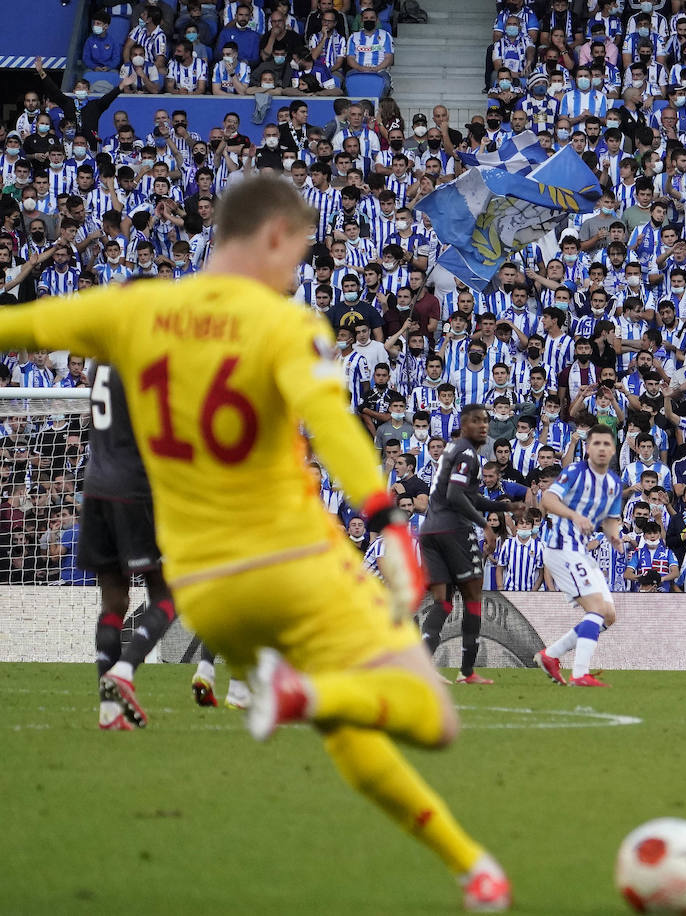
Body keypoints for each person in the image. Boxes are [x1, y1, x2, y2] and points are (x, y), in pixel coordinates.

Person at [0, 175, 510, 910]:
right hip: (295, 566)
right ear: (274, 235)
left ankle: (471, 868)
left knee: (345, 726)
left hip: (209, 594)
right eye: (300, 251)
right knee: (429, 715)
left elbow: (20, 326)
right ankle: (303, 694)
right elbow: (333, 428)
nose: (298, 271)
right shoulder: (284, 324)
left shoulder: (132, 310)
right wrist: (389, 521)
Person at [80, 362, 180, 730]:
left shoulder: (99, 364)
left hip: (95, 487)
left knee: (114, 602)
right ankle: (125, 668)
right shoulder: (144, 361)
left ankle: (108, 710)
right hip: (133, 490)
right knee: (166, 596)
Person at [419, 404, 513, 685]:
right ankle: (467, 671)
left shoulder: (452, 450)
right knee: (472, 599)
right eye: (476, 422)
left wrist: (503, 506)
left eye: (486, 421)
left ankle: (421, 666)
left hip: (430, 531)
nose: (483, 426)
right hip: (452, 532)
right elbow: (456, 496)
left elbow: (465, 497)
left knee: (444, 603)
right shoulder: (468, 454)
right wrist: (485, 524)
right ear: (464, 424)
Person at [532, 426, 625, 688]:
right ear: (588, 447)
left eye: (607, 443)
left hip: (580, 551)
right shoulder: (574, 472)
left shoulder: (614, 484)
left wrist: (614, 535)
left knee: (608, 615)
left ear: (613, 449)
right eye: (597, 443)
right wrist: (573, 515)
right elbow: (547, 501)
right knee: (596, 609)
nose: (602, 448)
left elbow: (609, 519)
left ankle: (550, 656)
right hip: (562, 548)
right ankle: (579, 674)